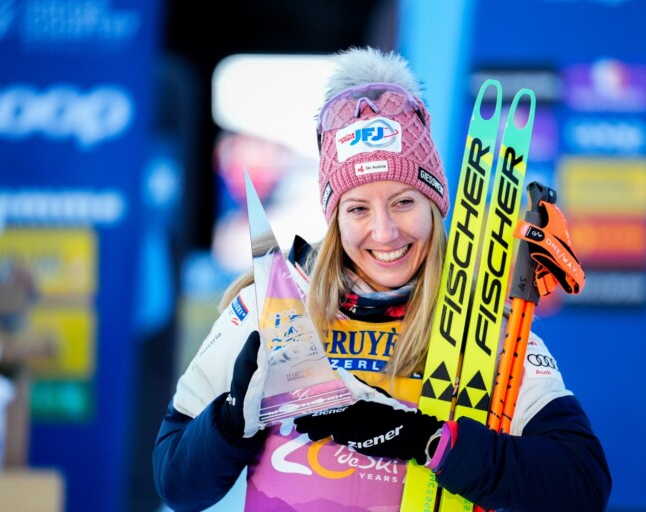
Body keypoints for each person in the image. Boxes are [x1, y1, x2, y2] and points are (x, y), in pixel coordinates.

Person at [153, 47, 611, 512]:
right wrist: (230, 422)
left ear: (434, 205)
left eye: (403, 202)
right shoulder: (272, 303)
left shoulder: (483, 324)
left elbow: (581, 484)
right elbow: (176, 485)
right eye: (358, 209)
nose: (385, 232)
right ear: (335, 218)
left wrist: (425, 440)